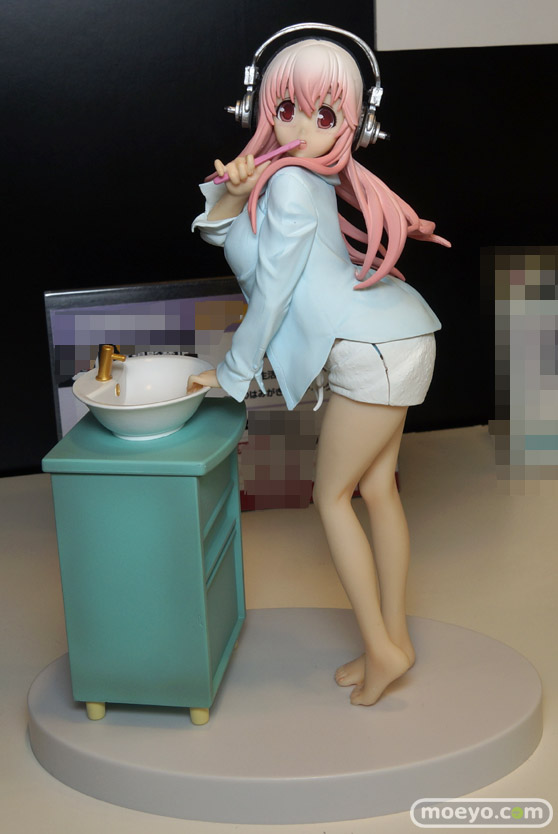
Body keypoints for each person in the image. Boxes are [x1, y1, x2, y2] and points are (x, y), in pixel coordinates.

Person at [190, 35, 450, 705]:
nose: (302, 128)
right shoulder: (302, 178)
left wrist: (229, 373)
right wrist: (233, 193)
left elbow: (272, 294)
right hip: (399, 337)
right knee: (377, 490)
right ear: (260, 108)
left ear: (355, 124)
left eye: (324, 115)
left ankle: (383, 649)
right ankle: (392, 644)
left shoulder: (292, 184)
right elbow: (234, 242)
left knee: (331, 498)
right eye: (287, 110)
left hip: (372, 349)